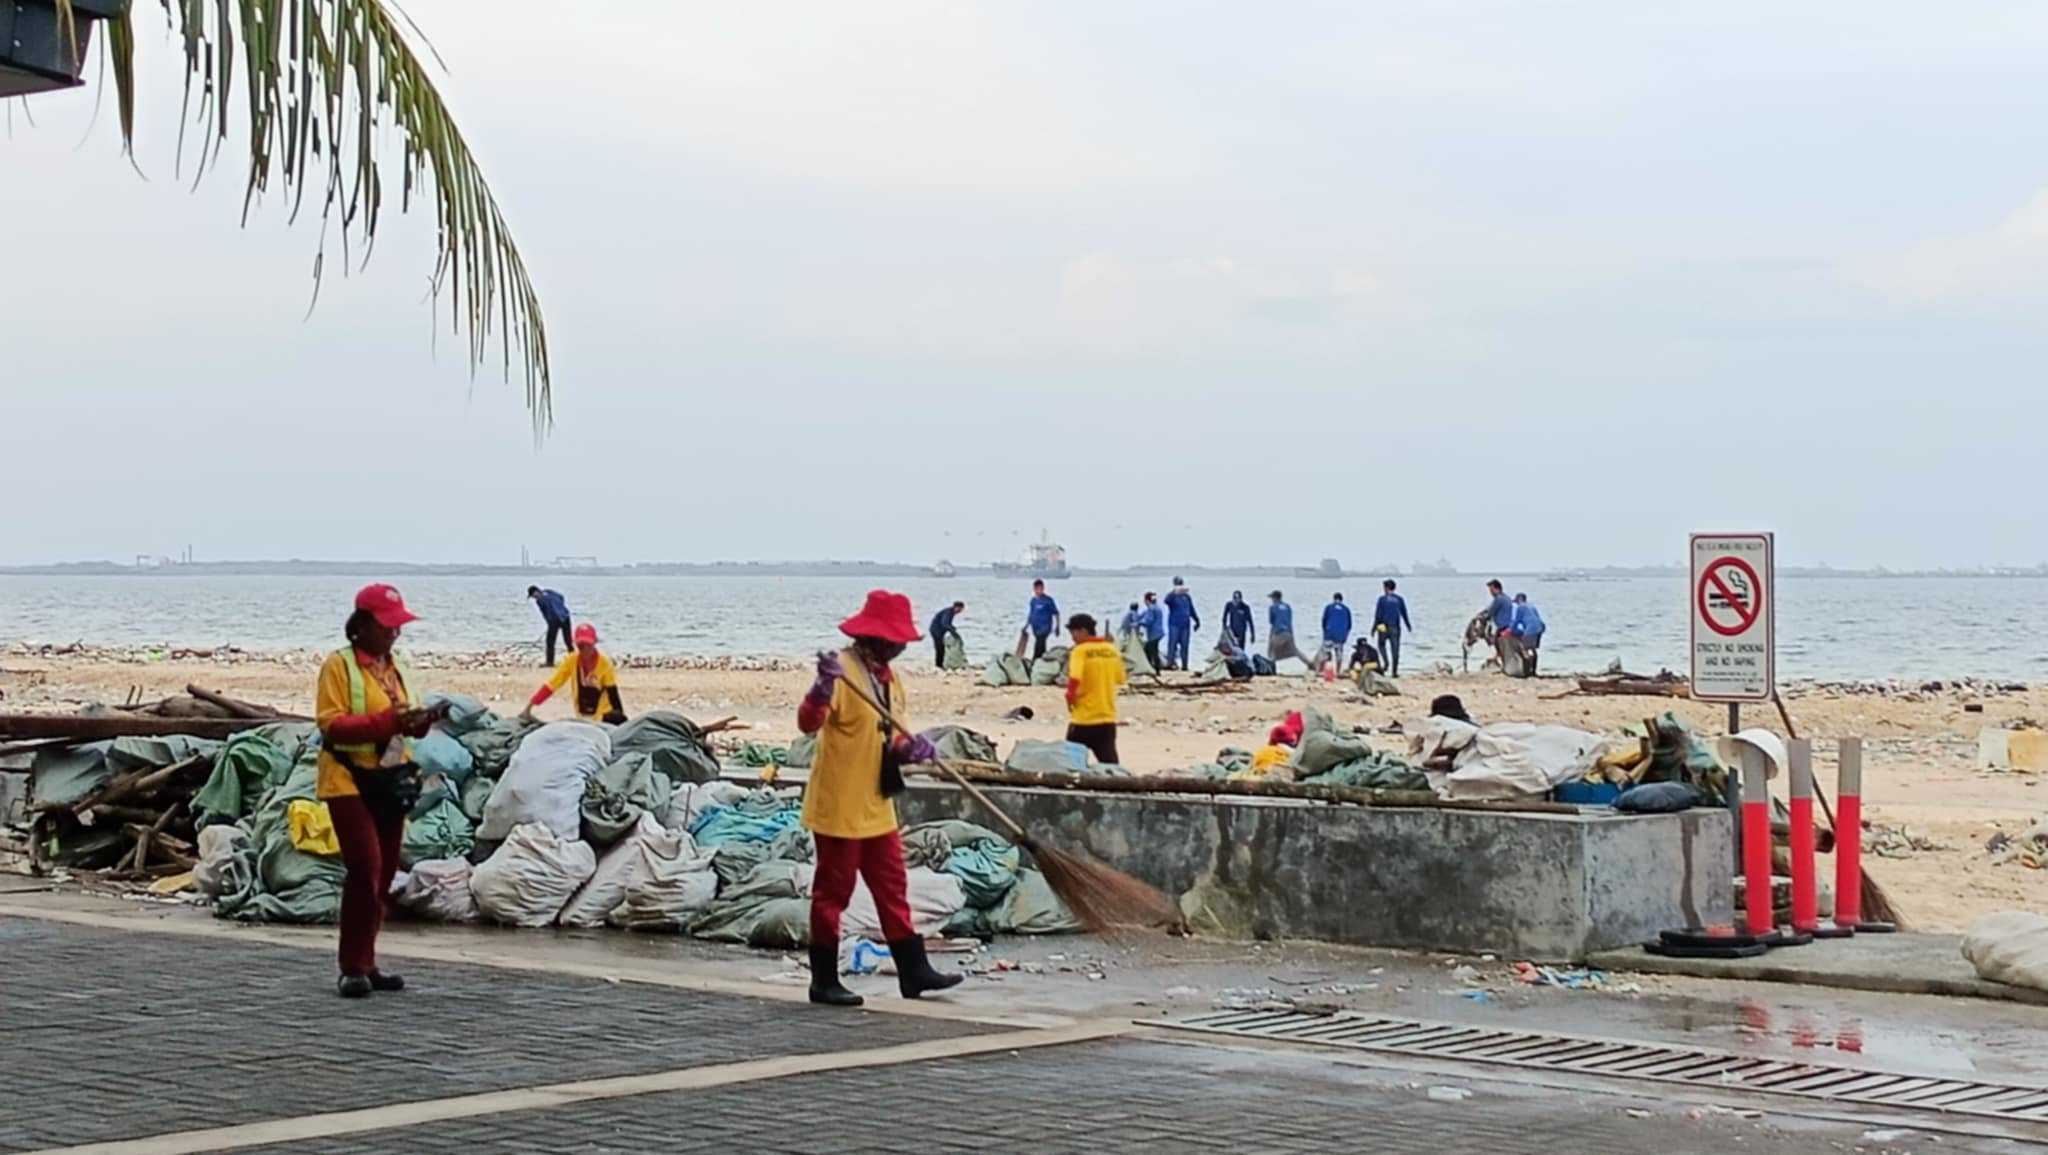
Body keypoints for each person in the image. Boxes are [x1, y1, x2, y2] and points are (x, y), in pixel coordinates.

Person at [797, 590, 960, 1008]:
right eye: (894, 641)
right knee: (834, 892)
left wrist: (912, 749)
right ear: (873, 637)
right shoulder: (843, 672)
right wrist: (821, 687)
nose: (899, 648)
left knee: (892, 886)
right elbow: (808, 723)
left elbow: (893, 738)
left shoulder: (890, 679)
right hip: (839, 804)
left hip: (876, 801)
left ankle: (914, 970)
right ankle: (824, 979)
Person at [316, 584, 444, 999]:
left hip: (388, 777)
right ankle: (351, 967)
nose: (394, 633)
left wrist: (419, 722)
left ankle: (368, 961)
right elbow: (331, 724)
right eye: (387, 626)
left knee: (385, 872)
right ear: (363, 626)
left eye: (396, 626)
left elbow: (404, 720)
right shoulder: (339, 666)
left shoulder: (396, 667)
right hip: (346, 777)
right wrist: (389, 722)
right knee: (365, 868)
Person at [521, 623, 625, 723]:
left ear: (594, 643)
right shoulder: (572, 661)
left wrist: (620, 717)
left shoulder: (605, 664)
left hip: (604, 716)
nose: (585, 650)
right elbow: (553, 684)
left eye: (588, 645)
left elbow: (613, 694)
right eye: (581, 646)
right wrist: (530, 706)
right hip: (582, 716)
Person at [1063, 614, 1126, 766]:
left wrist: (1070, 698)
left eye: (1073, 633)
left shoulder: (1080, 651)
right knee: (1111, 766)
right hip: (1106, 718)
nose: (1072, 638)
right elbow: (1120, 678)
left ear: (1083, 631)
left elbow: (1075, 678)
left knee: (1071, 765)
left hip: (1083, 719)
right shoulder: (1111, 650)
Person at [1373, 579, 1413, 677]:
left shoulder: (1382, 599)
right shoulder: (1399, 599)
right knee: (1395, 650)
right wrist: (1408, 625)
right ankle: (1394, 672)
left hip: (1383, 626)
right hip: (1395, 627)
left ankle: (1386, 662)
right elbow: (1404, 613)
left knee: (1381, 645)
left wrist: (1374, 628)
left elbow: (1378, 615)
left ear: (1386, 588)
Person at [527, 585, 573, 667]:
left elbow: (546, 613)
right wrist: (560, 608)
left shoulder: (540, 600)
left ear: (536, 592)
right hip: (565, 617)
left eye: (533, 595)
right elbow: (561, 597)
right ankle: (574, 659)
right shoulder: (549, 592)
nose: (534, 598)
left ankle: (550, 662)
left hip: (556, 619)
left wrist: (550, 623)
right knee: (568, 641)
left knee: (550, 642)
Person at [1163, 578, 1201, 671]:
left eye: (1181, 584)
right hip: (1174, 624)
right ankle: (1170, 664)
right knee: (1172, 645)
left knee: (1185, 646)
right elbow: (1166, 601)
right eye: (1178, 584)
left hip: (1185, 625)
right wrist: (1174, 592)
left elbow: (1191, 609)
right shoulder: (1172, 596)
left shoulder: (1187, 597)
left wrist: (1197, 621)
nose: (1180, 586)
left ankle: (1184, 665)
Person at [1267, 590, 1307, 666]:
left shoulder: (1272, 607)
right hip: (1288, 632)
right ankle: (1310, 664)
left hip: (1279, 632)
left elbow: (1272, 622)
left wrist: (1271, 635)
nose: (1272, 600)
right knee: (1296, 651)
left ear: (1275, 598)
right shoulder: (1287, 606)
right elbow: (1290, 620)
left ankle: (1271, 668)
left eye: (1272, 598)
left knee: (1271, 651)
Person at [1510, 593, 1546, 677]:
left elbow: (1517, 621)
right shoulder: (1532, 606)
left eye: (1516, 601)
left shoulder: (1521, 607)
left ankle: (1527, 671)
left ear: (1519, 599)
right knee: (1533, 649)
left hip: (1531, 629)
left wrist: (1512, 631)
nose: (1516, 603)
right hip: (1540, 627)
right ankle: (1533, 670)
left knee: (1525, 649)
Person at [1482, 580, 1516, 670]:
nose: (1490, 593)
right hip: (1509, 625)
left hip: (1502, 626)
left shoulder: (1498, 599)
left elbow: (1490, 612)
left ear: (1497, 589)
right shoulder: (1506, 598)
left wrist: (1482, 617)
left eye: (1491, 590)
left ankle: (1503, 664)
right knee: (1501, 646)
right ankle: (1501, 661)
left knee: (1497, 643)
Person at [1025, 580, 1059, 661]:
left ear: (1043, 588)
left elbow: (1056, 613)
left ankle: (1035, 660)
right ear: (1034, 589)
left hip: (1045, 627)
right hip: (1035, 628)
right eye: (1037, 589)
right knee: (1040, 645)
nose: (1039, 591)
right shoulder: (1033, 601)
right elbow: (1031, 614)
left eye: (1041, 589)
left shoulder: (1048, 600)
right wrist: (1026, 625)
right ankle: (1042, 660)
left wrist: (1057, 627)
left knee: (1039, 643)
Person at [1319, 592, 1353, 669]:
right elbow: (1349, 625)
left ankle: (1321, 670)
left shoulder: (1329, 607)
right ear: (1341, 600)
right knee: (1339, 655)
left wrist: (1325, 632)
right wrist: (1345, 636)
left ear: (1334, 599)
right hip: (1340, 635)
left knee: (1325, 653)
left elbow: (1324, 621)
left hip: (1329, 634)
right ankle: (1338, 671)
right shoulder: (1346, 609)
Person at [928, 600, 966, 670]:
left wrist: (952, 628)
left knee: (941, 647)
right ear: (956, 607)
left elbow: (947, 623)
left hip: (939, 631)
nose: (960, 611)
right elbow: (945, 623)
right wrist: (952, 631)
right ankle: (939, 665)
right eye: (960, 609)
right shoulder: (948, 612)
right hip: (936, 630)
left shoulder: (951, 612)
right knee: (940, 648)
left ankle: (939, 664)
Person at [1140, 592, 1166, 672]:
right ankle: (1154, 668)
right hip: (1159, 633)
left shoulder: (1151, 609)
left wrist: (1139, 623)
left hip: (1154, 634)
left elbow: (1149, 621)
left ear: (1147, 600)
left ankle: (1154, 669)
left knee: (1150, 651)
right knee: (1151, 650)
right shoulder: (1157, 607)